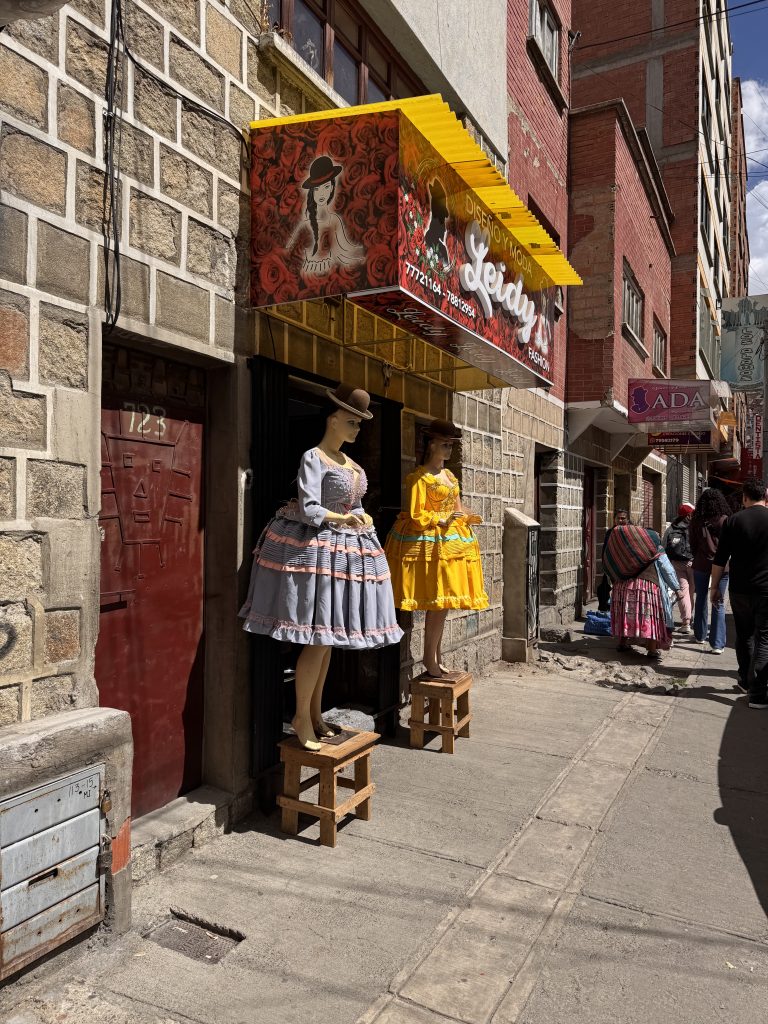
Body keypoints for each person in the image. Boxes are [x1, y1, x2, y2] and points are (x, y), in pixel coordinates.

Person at [239, 383, 403, 750]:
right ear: (332, 420)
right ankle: (301, 716)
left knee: (326, 639)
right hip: (314, 550)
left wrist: (361, 516)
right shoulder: (314, 457)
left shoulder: (352, 464)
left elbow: (354, 504)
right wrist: (342, 518)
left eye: (359, 424)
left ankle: (315, 714)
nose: (356, 429)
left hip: (342, 553)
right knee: (317, 638)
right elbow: (310, 506)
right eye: (351, 422)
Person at [385, 419, 488, 678]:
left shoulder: (450, 476)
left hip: (450, 544)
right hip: (429, 544)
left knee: (443, 603)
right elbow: (416, 514)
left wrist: (468, 515)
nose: (449, 449)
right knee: (437, 602)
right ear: (431, 445)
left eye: (451, 445)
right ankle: (429, 657)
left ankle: (436, 656)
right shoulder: (419, 478)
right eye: (445, 444)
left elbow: (457, 507)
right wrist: (439, 520)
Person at [709, 476, 768, 708]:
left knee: (744, 635)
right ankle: (758, 694)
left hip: (740, 589)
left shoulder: (733, 521)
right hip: (766, 590)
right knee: (764, 638)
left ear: (744, 497)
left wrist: (714, 588)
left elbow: (720, 559)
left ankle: (745, 680)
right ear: (765, 496)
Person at [603, 523, 683, 660]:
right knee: (650, 617)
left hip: (623, 586)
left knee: (626, 614)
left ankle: (622, 643)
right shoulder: (656, 549)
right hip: (646, 587)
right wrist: (676, 588)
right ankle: (652, 650)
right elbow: (667, 569)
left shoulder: (624, 548)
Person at [689, 488, 732, 653]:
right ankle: (717, 643)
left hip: (700, 564)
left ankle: (700, 635)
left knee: (701, 598)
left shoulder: (696, 520)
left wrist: (699, 555)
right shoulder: (725, 520)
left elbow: (692, 544)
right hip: (722, 565)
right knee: (718, 601)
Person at [662, 502, 695, 635]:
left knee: (683, 592)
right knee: (691, 593)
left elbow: (664, 545)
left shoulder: (671, 528)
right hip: (693, 563)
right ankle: (689, 618)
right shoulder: (695, 527)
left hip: (677, 563)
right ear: (689, 515)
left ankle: (686, 622)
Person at [597, 509, 630, 612]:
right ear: (614, 519)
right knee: (605, 590)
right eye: (618, 518)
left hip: (627, 569)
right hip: (612, 568)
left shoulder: (630, 532)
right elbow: (605, 550)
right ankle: (607, 612)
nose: (620, 520)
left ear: (627, 520)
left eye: (623, 518)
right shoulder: (610, 533)